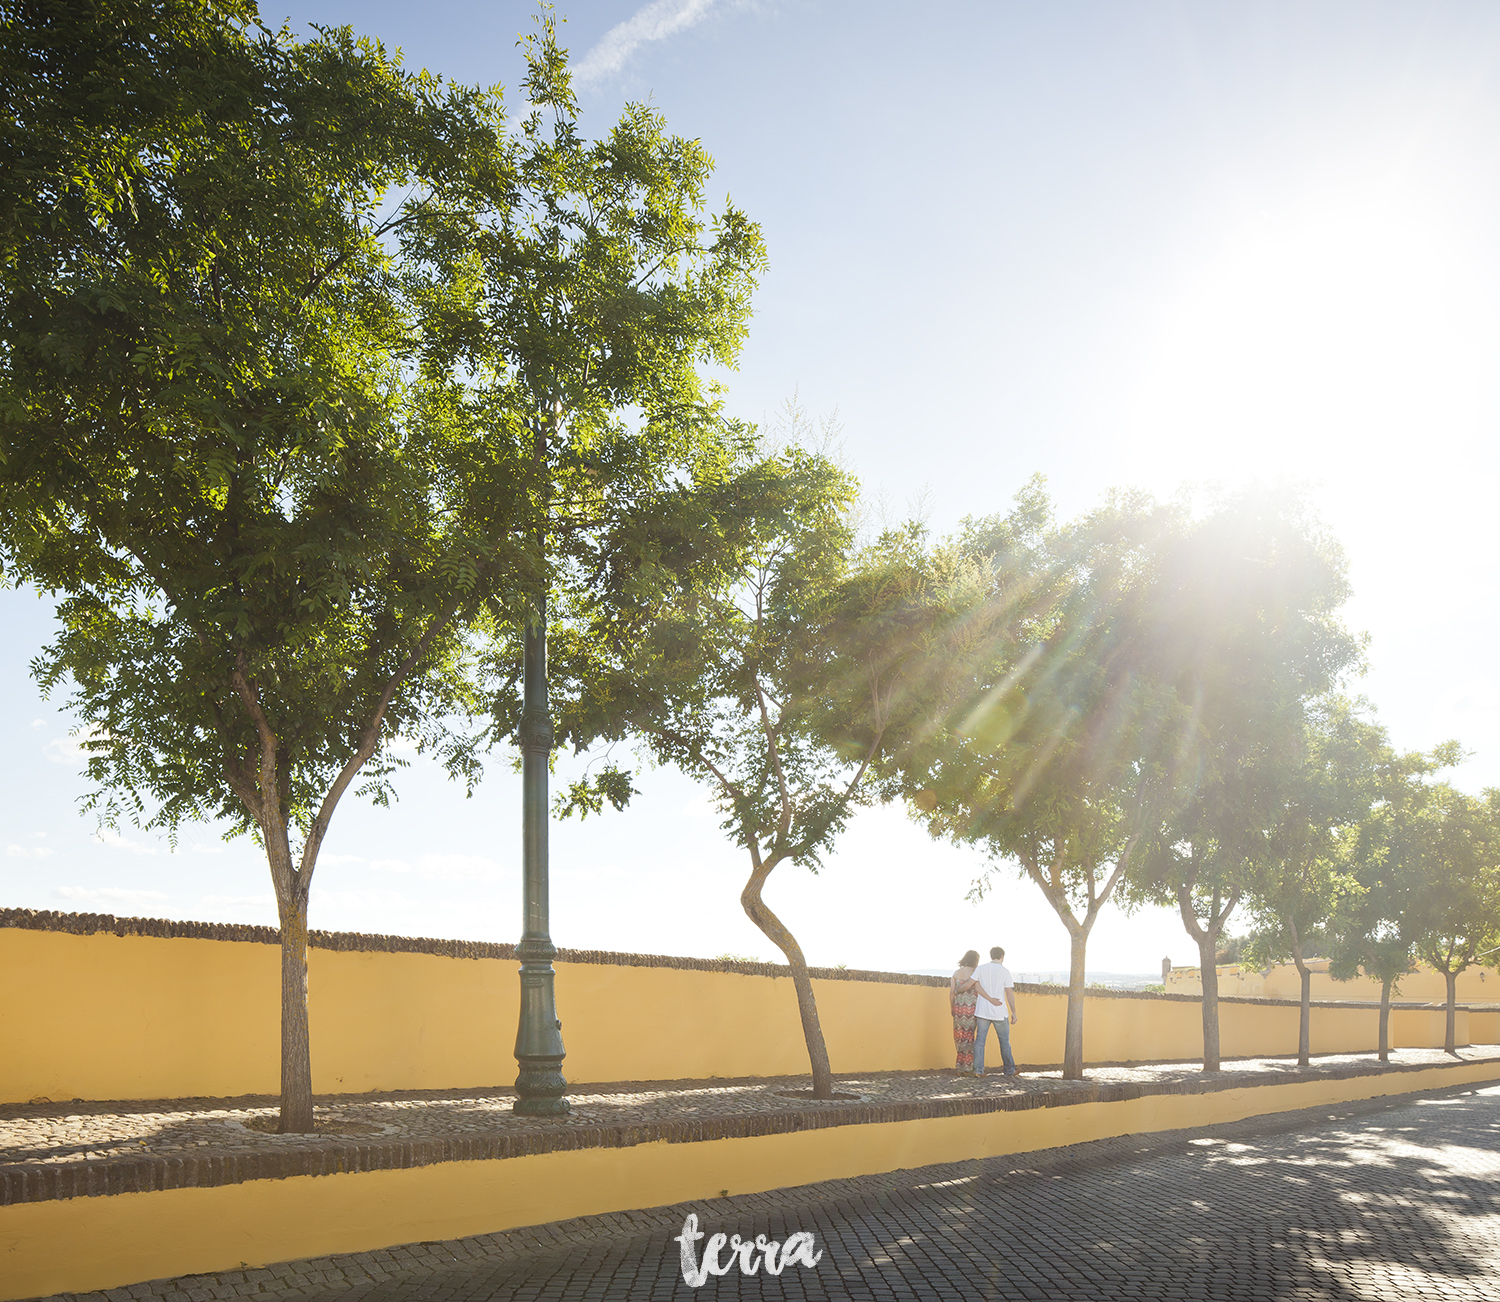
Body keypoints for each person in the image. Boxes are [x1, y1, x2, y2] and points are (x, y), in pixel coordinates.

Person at [971, 946, 1018, 1077]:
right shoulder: (1005, 971)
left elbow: (976, 985)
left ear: (991, 955)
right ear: (1002, 957)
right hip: (999, 1012)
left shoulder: (981, 969)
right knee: (1004, 1043)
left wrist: (989, 999)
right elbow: (1009, 993)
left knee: (980, 1041)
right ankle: (1009, 1070)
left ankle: (978, 1070)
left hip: (982, 1011)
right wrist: (1014, 1012)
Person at [949, 950, 982, 1072]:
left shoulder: (956, 973)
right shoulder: (975, 972)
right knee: (969, 1036)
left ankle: (960, 1066)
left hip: (958, 1007)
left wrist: (952, 1007)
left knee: (959, 1036)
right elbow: (979, 989)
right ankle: (967, 1066)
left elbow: (952, 993)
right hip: (972, 1008)